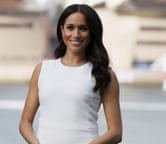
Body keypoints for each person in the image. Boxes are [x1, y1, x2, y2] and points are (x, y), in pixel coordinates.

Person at [19, 4, 122, 144]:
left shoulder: (104, 74)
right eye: (70, 28)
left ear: (91, 33)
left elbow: (116, 132)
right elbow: (25, 123)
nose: (76, 34)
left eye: (83, 29)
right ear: (62, 30)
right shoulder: (42, 70)